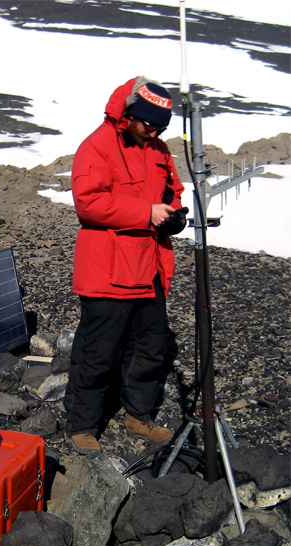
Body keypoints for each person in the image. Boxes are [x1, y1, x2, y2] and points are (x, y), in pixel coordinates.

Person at [63, 76, 186, 456]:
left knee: (150, 346)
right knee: (97, 351)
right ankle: (82, 425)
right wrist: (145, 212)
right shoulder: (97, 146)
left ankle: (139, 416)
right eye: (148, 123)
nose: (154, 131)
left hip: (149, 266)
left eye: (161, 126)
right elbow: (88, 203)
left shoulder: (157, 148)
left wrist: (175, 216)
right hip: (109, 269)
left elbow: (172, 192)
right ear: (128, 113)